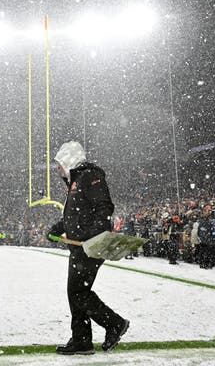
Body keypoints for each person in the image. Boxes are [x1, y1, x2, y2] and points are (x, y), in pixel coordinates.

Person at [47, 141, 129, 355]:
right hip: (80, 246)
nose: (58, 169)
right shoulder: (76, 181)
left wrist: (92, 238)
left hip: (91, 246)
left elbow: (104, 208)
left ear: (69, 159)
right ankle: (81, 340)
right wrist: (56, 229)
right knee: (75, 292)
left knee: (78, 292)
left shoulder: (90, 176)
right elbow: (75, 215)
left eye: (59, 164)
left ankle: (114, 324)